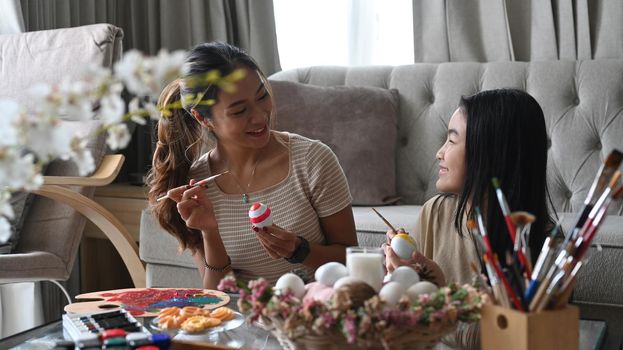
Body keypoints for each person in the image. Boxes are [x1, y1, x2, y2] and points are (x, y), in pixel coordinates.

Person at [147, 42, 357, 289]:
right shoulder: (197, 189)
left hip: (312, 317)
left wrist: (301, 251)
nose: (260, 116)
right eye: (239, 111)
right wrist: (209, 232)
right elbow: (217, 297)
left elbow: (353, 259)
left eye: (262, 96)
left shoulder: (312, 160)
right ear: (202, 118)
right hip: (242, 319)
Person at [385, 89, 554, 349]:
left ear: (491, 152)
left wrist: (441, 293)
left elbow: (504, 342)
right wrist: (401, 282)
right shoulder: (435, 213)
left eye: (452, 141)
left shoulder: (544, 247)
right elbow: (414, 326)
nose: (439, 153)